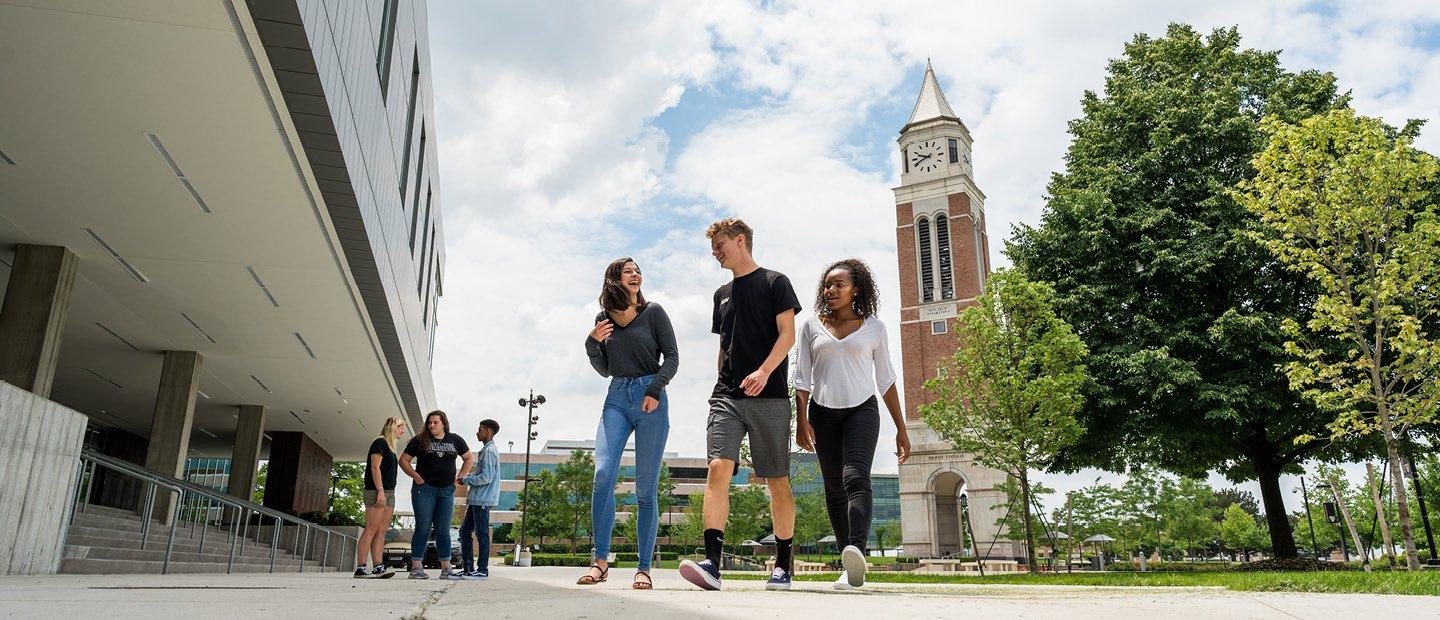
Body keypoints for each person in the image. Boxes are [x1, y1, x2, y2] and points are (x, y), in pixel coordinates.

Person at [679, 218, 801, 591]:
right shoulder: (721, 295)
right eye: (712, 248)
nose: (715, 252)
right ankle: (713, 564)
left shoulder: (775, 282)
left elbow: (788, 335)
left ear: (741, 240)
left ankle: (783, 564)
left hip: (770, 396)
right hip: (727, 396)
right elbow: (724, 346)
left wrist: (764, 372)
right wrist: (722, 382)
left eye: (720, 245)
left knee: (776, 481)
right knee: (718, 467)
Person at [794, 258, 910, 590]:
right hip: (822, 412)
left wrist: (902, 429)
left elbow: (886, 380)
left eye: (839, 285)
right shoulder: (811, 327)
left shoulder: (875, 327)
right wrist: (801, 421)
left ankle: (856, 552)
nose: (831, 290)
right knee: (833, 487)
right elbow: (801, 379)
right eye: (827, 285)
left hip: (862, 411)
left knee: (855, 477)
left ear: (855, 288)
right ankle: (849, 565)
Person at [577, 258, 678, 590]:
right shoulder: (603, 319)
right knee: (603, 473)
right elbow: (604, 368)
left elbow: (673, 358)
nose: (636, 274)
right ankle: (600, 561)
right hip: (617, 397)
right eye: (628, 271)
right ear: (615, 281)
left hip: (651, 398)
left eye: (638, 270)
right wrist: (592, 343)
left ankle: (644, 568)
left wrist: (654, 389)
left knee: (645, 489)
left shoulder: (654, 312)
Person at [400, 410, 473, 579]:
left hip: (447, 490)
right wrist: (417, 477)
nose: (431, 425)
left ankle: (446, 569)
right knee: (423, 528)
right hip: (424, 490)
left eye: (435, 422)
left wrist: (459, 478)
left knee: (443, 530)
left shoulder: (455, 440)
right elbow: (403, 460)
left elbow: (468, 458)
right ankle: (416, 568)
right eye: (429, 422)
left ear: (444, 424)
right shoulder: (419, 440)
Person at [355, 417, 406, 579]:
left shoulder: (391, 447)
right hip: (376, 491)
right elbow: (375, 467)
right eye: (400, 428)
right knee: (371, 528)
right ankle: (361, 567)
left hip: (389, 492)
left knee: (382, 530)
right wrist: (380, 491)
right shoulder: (380, 443)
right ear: (393, 427)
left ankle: (378, 566)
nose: (402, 431)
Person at [458, 419, 501, 580]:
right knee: (464, 532)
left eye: (480, 429)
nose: (477, 432)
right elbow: (481, 474)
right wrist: (468, 477)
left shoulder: (490, 451)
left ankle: (482, 569)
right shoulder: (486, 450)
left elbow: (486, 477)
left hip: (482, 499)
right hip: (477, 499)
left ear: (488, 431)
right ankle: (468, 568)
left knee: (482, 534)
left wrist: (466, 480)